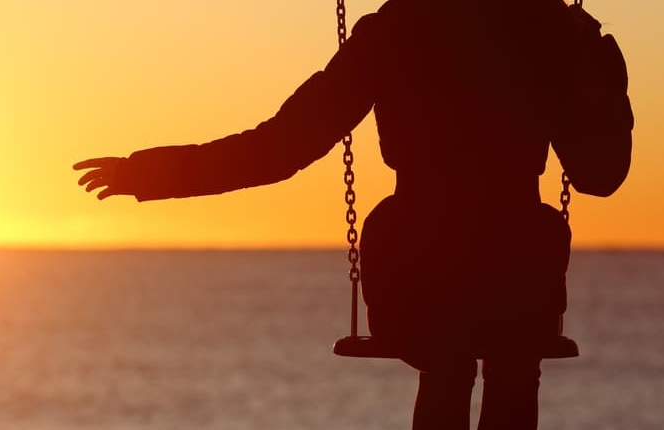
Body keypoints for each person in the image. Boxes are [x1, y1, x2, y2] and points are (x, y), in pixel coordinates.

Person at [73, 0, 632, 429]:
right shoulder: (547, 30)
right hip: (512, 267)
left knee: (448, 364)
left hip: (420, 263)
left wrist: (146, 174)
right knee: (513, 361)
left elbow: (279, 148)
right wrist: (600, 73)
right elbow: (600, 175)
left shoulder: (398, 30)